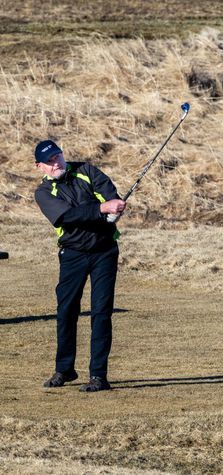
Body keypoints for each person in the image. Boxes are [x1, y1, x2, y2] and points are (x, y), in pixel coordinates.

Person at [34, 139, 126, 391]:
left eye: (58, 157)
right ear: (39, 166)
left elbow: (110, 195)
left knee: (101, 312)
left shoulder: (86, 171)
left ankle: (98, 376)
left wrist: (115, 208)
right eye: (50, 162)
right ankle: (65, 369)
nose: (56, 164)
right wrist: (101, 209)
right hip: (72, 254)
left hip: (104, 250)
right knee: (66, 311)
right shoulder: (43, 192)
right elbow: (66, 216)